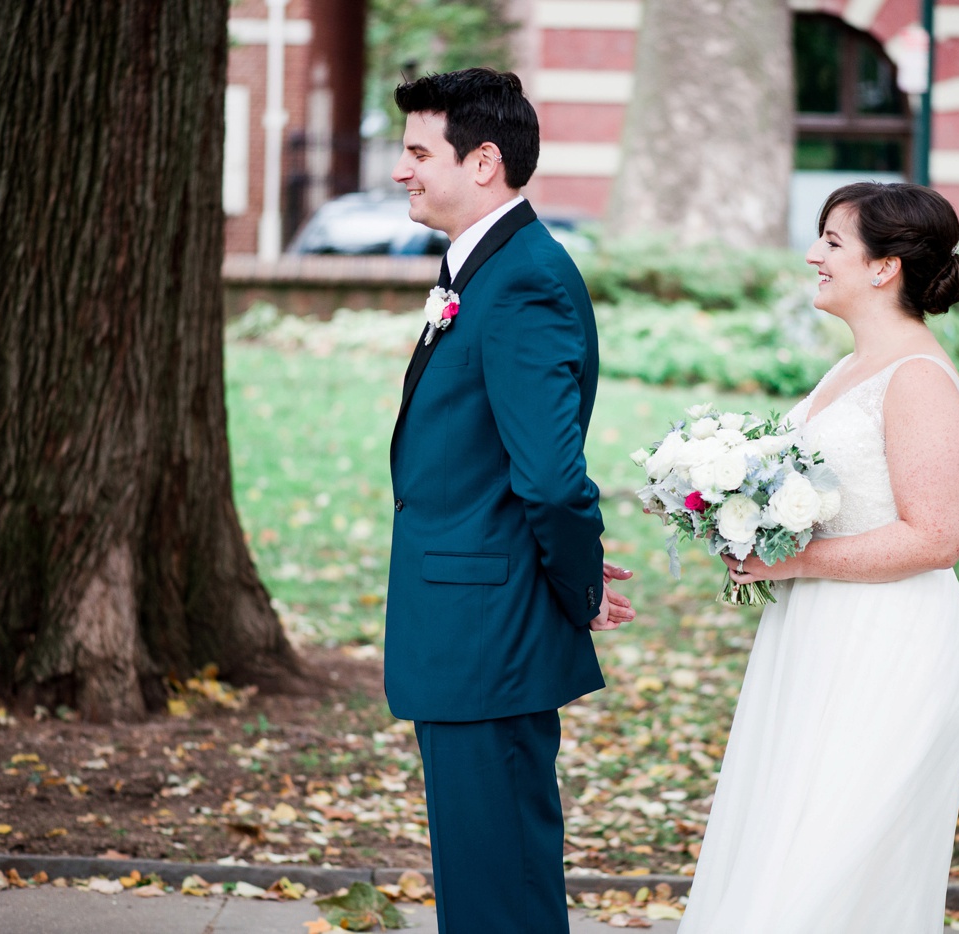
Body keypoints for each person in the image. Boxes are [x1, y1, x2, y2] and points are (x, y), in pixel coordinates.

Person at [678, 182, 959, 932]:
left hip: (888, 647)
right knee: (785, 839)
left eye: (833, 243)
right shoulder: (852, 368)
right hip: (816, 639)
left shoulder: (916, 377)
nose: (813, 255)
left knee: (833, 864)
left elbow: (937, 535)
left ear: (884, 269)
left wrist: (793, 562)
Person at [384, 68, 635, 934]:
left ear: (483, 161)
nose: (400, 169)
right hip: (468, 622)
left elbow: (553, 479)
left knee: (501, 883)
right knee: (482, 873)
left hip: (488, 630)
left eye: (418, 151)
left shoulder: (523, 280)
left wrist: (580, 587)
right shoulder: (487, 269)